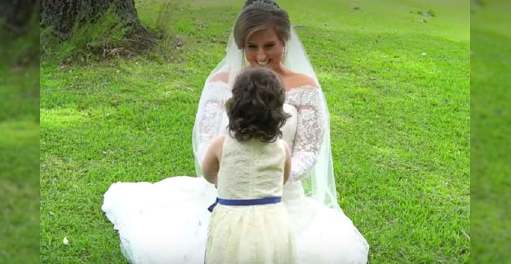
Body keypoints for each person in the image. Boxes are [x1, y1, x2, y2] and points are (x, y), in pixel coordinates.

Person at [102, 1, 369, 263]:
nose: (261, 56)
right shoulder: (221, 82)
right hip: (229, 193)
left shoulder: (304, 87)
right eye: (251, 47)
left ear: (284, 42)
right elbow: (206, 142)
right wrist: (234, 179)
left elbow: (309, 149)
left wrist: (271, 176)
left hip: (280, 197)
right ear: (240, 46)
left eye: (269, 46)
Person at [202, 67, 296, 264]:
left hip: (232, 222)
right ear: (278, 112)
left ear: (234, 106)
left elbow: (208, 173)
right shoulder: (282, 149)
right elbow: (283, 179)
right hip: (272, 222)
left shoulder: (221, 144)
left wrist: (224, 182)